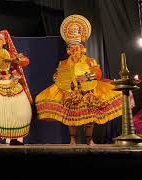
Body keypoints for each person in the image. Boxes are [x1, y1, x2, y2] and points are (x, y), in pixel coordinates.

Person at [35, 15, 123, 145]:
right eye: (72, 47)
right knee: (71, 115)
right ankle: (72, 139)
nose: (75, 50)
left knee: (90, 115)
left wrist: (87, 77)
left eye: (77, 47)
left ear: (82, 48)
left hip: (88, 89)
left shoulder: (89, 60)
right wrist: (57, 77)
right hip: (70, 91)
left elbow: (98, 73)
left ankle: (89, 139)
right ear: (69, 49)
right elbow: (59, 76)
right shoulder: (64, 63)